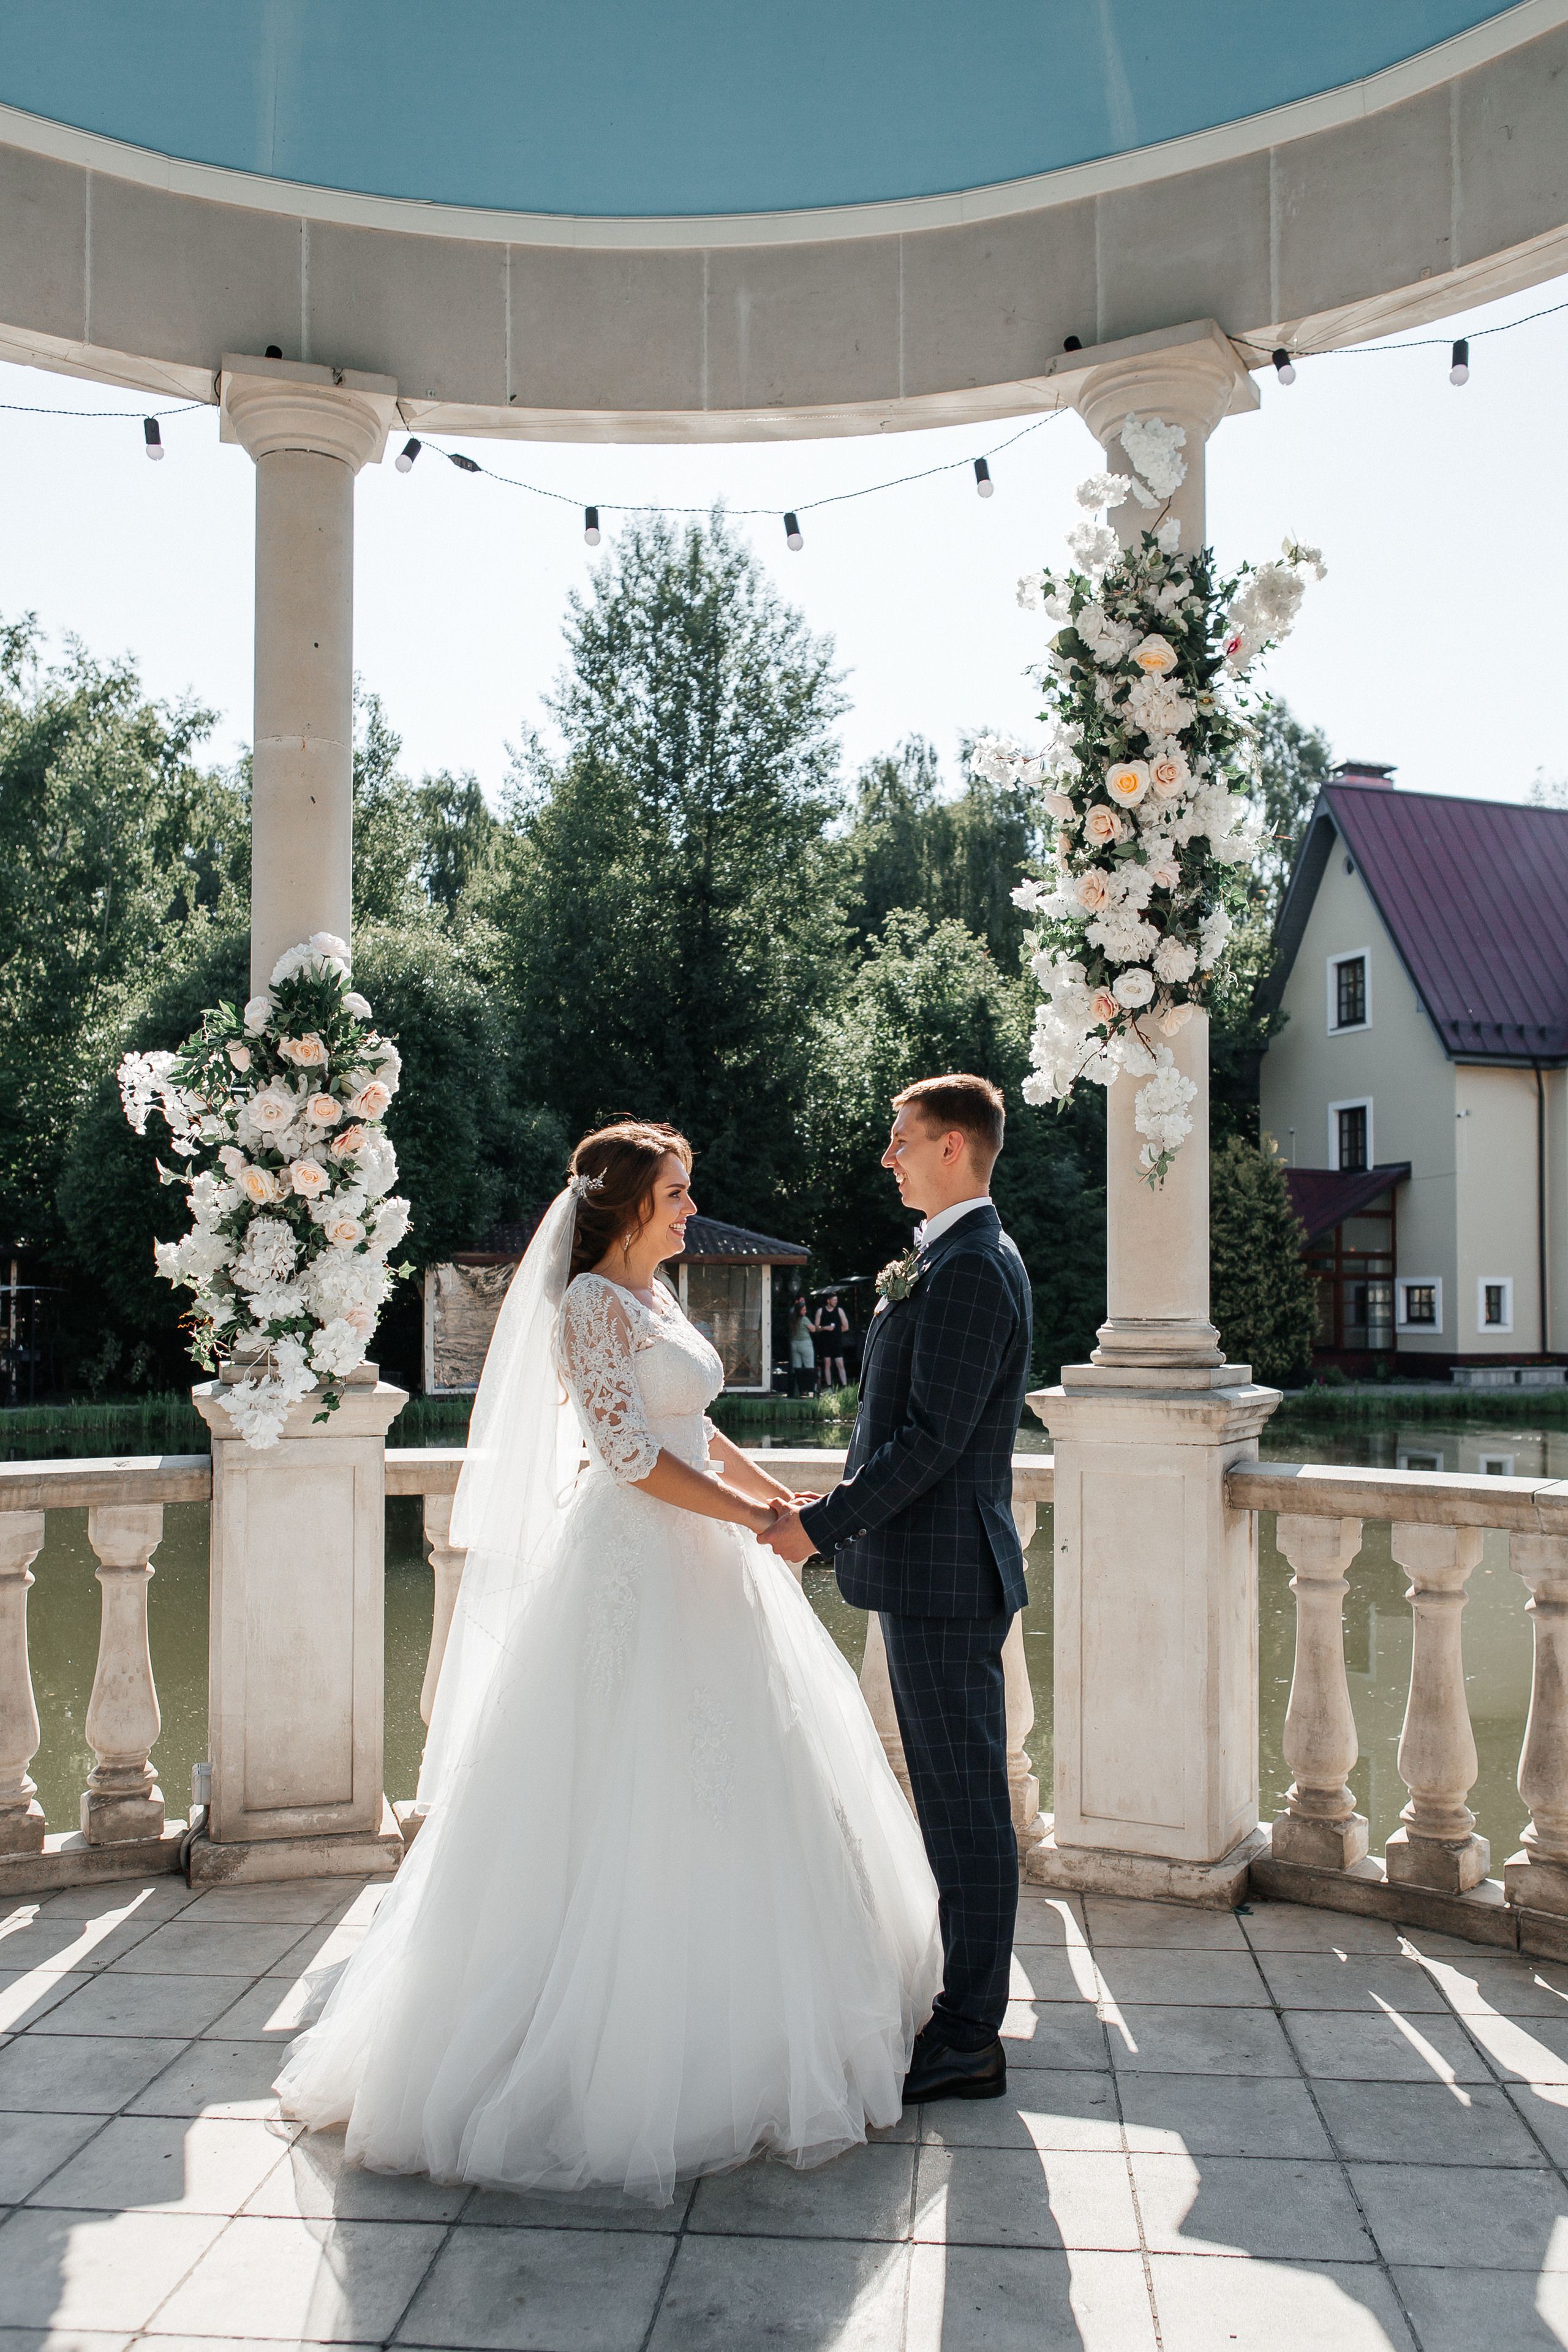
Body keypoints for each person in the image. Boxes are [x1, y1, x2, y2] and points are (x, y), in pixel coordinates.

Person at [274, 1120, 939, 2203]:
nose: (689, 1208)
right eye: (676, 1193)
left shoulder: (656, 1296)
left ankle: (745, 2017)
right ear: (628, 1202)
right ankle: (590, 2053)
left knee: (738, 1781)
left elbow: (696, 1424)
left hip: (710, 1563)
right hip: (632, 1565)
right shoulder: (587, 1304)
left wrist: (773, 1499)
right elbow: (631, 1458)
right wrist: (751, 1521)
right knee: (621, 1784)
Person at [763, 1074, 1031, 2107]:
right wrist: (826, 1503)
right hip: (931, 1575)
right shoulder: (948, 1257)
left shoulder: (968, 1268)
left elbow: (931, 1443)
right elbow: (904, 1431)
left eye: (902, 1139)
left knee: (966, 1812)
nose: (890, 1156)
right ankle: (961, 2015)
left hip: (947, 1582)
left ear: (955, 1147)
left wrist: (820, 1527)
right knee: (954, 1804)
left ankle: (969, 2035)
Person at [813, 1291, 850, 1390]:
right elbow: (816, 1328)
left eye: (836, 1300)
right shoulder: (821, 1311)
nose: (836, 1302)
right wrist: (826, 1328)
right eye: (834, 1300)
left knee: (840, 1363)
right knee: (827, 1364)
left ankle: (845, 1386)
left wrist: (837, 1331)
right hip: (825, 1342)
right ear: (828, 1301)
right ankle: (829, 1386)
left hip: (837, 1341)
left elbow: (846, 1327)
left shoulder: (840, 1311)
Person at [786, 1293, 816, 1396]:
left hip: (795, 1344)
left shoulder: (792, 1318)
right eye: (804, 1310)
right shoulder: (804, 1319)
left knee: (797, 1368)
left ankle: (798, 1390)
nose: (805, 1311)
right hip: (805, 1344)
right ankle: (810, 1389)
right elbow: (813, 1329)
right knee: (809, 1368)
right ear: (800, 1311)